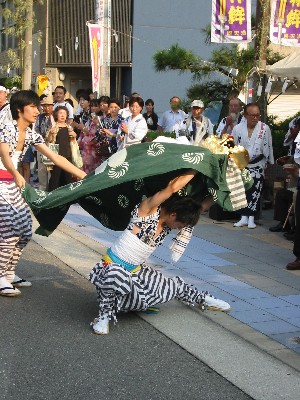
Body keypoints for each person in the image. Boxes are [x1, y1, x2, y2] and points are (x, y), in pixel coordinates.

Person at [89, 169, 231, 334]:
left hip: (136, 273)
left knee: (174, 286)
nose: (179, 229)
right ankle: (104, 316)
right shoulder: (146, 212)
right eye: (179, 225)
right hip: (110, 269)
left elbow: (202, 206)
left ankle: (203, 299)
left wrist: (223, 181)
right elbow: (171, 188)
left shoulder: (167, 226)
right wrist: (198, 164)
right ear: (173, 214)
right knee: (116, 275)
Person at [0, 90, 86, 297]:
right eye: (32, 107)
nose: (38, 111)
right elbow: (4, 156)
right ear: (19, 109)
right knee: (8, 231)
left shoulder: (30, 133)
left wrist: (84, 175)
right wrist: (15, 172)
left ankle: (9, 273)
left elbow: (57, 158)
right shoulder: (5, 128)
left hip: (13, 184)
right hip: (3, 183)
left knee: (24, 230)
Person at [232, 103, 274, 229]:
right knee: (243, 190)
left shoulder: (264, 128)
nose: (255, 118)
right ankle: (243, 217)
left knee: (255, 190)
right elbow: (233, 147)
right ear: (245, 115)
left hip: (258, 163)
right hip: (242, 164)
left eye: (257, 115)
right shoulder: (237, 129)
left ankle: (251, 218)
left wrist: (270, 163)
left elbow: (269, 147)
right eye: (252, 115)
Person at [46, 106, 77, 191]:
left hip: (67, 154)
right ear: (56, 115)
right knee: (55, 177)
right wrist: (51, 134)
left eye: (64, 113)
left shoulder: (69, 127)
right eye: (60, 113)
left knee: (68, 176)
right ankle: (53, 195)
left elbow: (74, 138)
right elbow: (48, 139)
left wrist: (73, 134)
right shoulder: (53, 127)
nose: (62, 115)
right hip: (56, 156)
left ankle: (69, 195)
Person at [34, 94, 56, 190]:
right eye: (45, 106)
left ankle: (51, 189)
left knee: (51, 168)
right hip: (42, 143)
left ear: (52, 106)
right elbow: (36, 129)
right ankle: (43, 189)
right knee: (42, 169)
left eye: (49, 105)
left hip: (53, 144)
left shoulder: (55, 116)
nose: (47, 108)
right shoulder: (39, 117)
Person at [77, 99, 102, 174]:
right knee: (86, 170)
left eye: (95, 106)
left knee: (95, 170)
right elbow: (85, 133)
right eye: (92, 106)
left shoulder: (101, 119)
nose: (93, 108)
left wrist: (83, 128)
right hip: (87, 149)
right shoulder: (90, 119)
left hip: (94, 148)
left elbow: (94, 134)